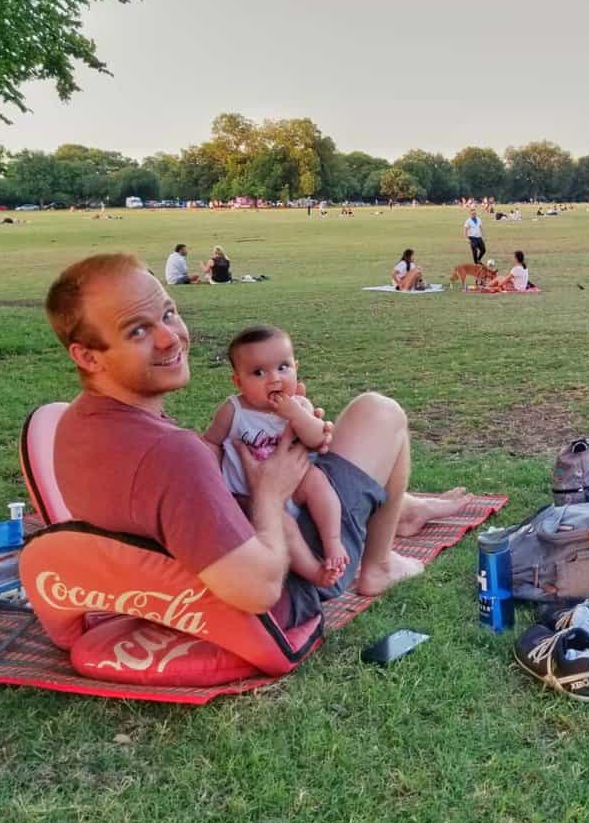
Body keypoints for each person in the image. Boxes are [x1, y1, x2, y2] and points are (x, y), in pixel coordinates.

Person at [43, 253, 472, 629]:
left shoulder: (74, 425)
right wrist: (269, 491)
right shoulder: (172, 454)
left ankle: (408, 509)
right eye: (137, 330)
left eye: (169, 313)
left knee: (319, 452)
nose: (170, 337)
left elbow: (181, 501)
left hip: (200, 567)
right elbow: (260, 590)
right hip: (285, 586)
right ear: (87, 355)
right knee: (378, 412)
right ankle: (377, 564)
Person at [205, 326, 346, 587]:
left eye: (283, 367)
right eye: (259, 372)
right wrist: (211, 480)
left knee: (318, 483)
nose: (274, 379)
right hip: (252, 497)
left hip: (295, 484)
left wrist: (296, 414)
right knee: (285, 526)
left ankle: (333, 541)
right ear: (238, 381)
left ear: (296, 367)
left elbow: (317, 439)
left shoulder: (299, 405)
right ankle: (315, 572)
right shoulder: (233, 410)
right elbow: (211, 443)